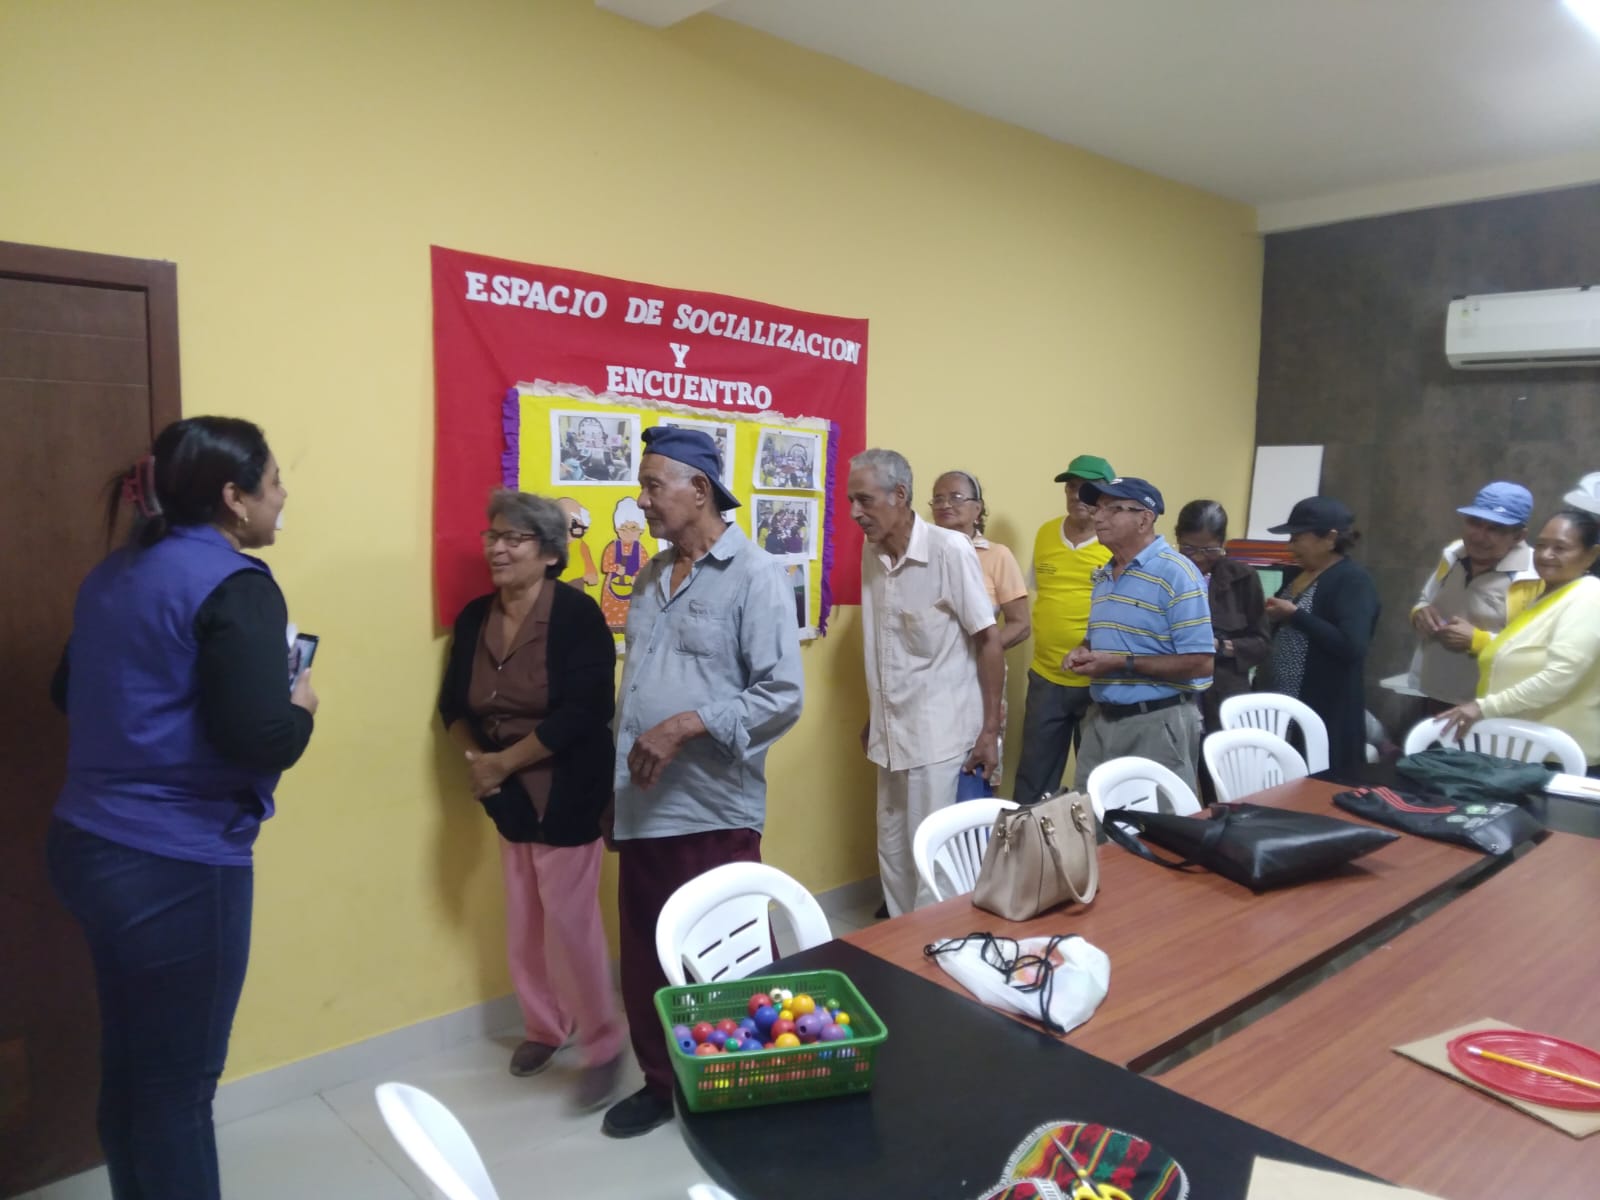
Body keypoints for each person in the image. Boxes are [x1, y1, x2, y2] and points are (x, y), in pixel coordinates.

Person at [46, 417, 317, 1200]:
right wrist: (301, 706)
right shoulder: (236, 584)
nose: (283, 496)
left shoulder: (114, 573)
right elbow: (261, 738)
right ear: (234, 498)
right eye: (274, 482)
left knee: (134, 1067)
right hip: (176, 866)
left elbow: (66, 690)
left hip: (84, 844)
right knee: (177, 1090)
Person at [602, 427, 804, 1139]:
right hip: (642, 805)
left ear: (698, 488)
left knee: (727, 958)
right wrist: (613, 791)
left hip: (713, 808)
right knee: (646, 957)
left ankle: (755, 1079)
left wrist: (687, 724)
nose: (641, 499)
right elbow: (635, 692)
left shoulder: (756, 575)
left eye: (652, 485)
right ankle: (663, 1084)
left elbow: (782, 694)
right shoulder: (653, 576)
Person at [437, 491, 624, 1109]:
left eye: (513, 539)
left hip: (569, 786)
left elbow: (586, 710)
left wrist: (502, 763)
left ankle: (604, 1043)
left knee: (571, 925)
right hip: (506, 794)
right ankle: (546, 1027)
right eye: (492, 537)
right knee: (523, 923)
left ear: (548, 553)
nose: (497, 549)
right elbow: (453, 706)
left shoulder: (576, 614)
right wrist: (481, 764)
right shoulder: (474, 617)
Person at [849, 449, 1003, 916]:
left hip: (940, 736)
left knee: (936, 858)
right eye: (851, 501)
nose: (855, 512)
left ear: (899, 495)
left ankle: (938, 945)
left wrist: (989, 732)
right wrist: (875, 716)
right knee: (894, 853)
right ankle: (900, 943)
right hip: (890, 734)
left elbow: (989, 640)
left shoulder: (948, 550)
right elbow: (888, 646)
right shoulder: (872, 552)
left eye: (864, 500)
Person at [1067, 477, 1213, 794]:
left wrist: (1121, 663)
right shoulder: (1105, 574)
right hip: (1101, 721)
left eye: (1112, 509)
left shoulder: (1177, 573)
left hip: (1157, 723)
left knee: (1154, 822)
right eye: (1098, 508)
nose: (1098, 517)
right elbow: (1101, 639)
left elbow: (1201, 662)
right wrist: (1083, 649)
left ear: (1144, 519)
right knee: (1091, 819)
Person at [1439, 509, 1600, 772]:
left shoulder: (1589, 596)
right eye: (1541, 545)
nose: (1545, 555)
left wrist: (1484, 707)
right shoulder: (1550, 596)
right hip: (1523, 752)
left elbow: (1560, 675)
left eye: (1560, 548)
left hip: (1557, 759)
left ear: (1591, 555)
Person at [1013, 454, 1117, 804]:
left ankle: (1093, 840)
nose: (1076, 495)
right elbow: (1041, 593)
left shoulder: (1116, 544)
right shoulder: (1046, 533)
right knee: (1033, 777)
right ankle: (1026, 839)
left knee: (1096, 780)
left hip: (1097, 680)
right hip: (1047, 677)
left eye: (1086, 488)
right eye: (1071, 487)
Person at [1260, 496, 1380, 771]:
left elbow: (1352, 645)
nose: (1290, 546)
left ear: (1330, 538)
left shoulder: (1353, 581)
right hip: (1285, 708)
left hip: (1325, 709)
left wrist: (1295, 615)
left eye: (1297, 538)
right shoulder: (1299, 575)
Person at [1407, 482, 1539, 711]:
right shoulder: (1453, 554)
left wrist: (1478, 641)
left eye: (1495, 529)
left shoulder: (1534, 575)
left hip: (1488, 705)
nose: (1479, 536)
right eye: (1474, 522)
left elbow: (1536, 652)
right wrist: (1420, 614)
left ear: (1519, 535)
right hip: (1435, 691)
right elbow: (1425, 599)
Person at [1174, 500, 1268, 734]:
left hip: (1225, 694)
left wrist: (1222, 646)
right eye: (1189, 548)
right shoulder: (1165, 575)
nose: (1198, 558)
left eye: (1209, 550)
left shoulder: (1243, 577)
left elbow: (1262, 643)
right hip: (1173, 691)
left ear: (1223, 543)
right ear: (1177, 537)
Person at [929, 470, 1031, 649]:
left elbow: (1020, 625)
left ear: (978, 508)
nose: (945, 505)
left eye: (956, 497)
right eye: (938, 499)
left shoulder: (998, 555)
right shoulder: (921, 554)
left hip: (978, 665)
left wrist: (984, 653)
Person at [599, 496, 650, 630]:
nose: (628, 532)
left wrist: (637, 576)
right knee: (611, 612)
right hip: (613, 588)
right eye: (623, 528)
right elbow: (605, 566)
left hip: (633, 588)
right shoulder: (612, 547)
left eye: (633, 528)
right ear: (617, 529)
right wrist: (615, 568)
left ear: (640, 530)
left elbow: (646, 567)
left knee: (633, 611)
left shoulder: (640, 549)